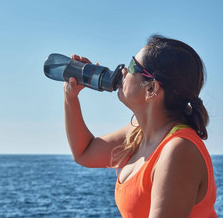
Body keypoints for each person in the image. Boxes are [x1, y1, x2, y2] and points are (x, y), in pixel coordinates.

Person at [63, 35, 217, 217]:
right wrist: (70, 96)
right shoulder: (139, 133)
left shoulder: (178, 150)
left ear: (151, 89)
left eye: (132, 66)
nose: (122, 70)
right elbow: (84, 153)